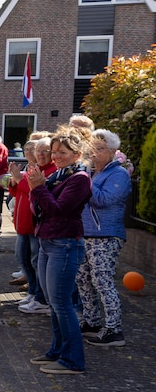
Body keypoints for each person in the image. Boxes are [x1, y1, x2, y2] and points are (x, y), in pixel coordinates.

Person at [26, 129, 92, 374]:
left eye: (62, 152)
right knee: (53, 304)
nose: (56, 156)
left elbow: (58, 210)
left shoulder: (80, 178)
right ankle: (57, 351)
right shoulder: (57, 175)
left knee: (62, 303)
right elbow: (39, 208)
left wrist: (38, 187)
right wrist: (36, 188)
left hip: (65, 244)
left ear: (77, 154)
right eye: (54, 152)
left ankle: (73, 360)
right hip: (47, 242)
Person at [76, 129, 132, 347]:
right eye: (92, 148)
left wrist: (84, 182)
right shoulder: (92, 173)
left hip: (106, 235)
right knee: (82, 278)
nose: (93, 152)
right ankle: (91, 322)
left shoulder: (119, 174)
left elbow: (103, 200)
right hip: (85, 233)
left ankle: (114, 329)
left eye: (99, 148)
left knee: (102, 281)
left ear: (112, 151)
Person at [9, 140, 49, 314]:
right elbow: (17, 191)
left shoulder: (47, 170)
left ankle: (39, 296)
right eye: (28, 149)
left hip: (33, 224)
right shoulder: (31, 168)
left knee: (35, 261)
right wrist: (13, 181)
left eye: (39, 150)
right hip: (22, 223)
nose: (34, 153)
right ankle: (33, 291)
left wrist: (19, 180)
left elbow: (34, 191)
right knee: (23, 258)